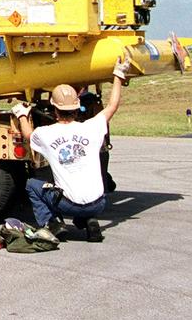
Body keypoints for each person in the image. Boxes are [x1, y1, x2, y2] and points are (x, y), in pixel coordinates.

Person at [12, 55, 130, 242]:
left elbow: (28, 134)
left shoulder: (46, 134)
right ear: (77, 107)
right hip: (99, 203)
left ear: (54, 109)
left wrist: (22, 114)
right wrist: (118, 74)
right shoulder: (92, 127)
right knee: (74, 192)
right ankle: (88, 219)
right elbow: (112, 106)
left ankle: (52, 224)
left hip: (68, 204)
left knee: (33, 185)